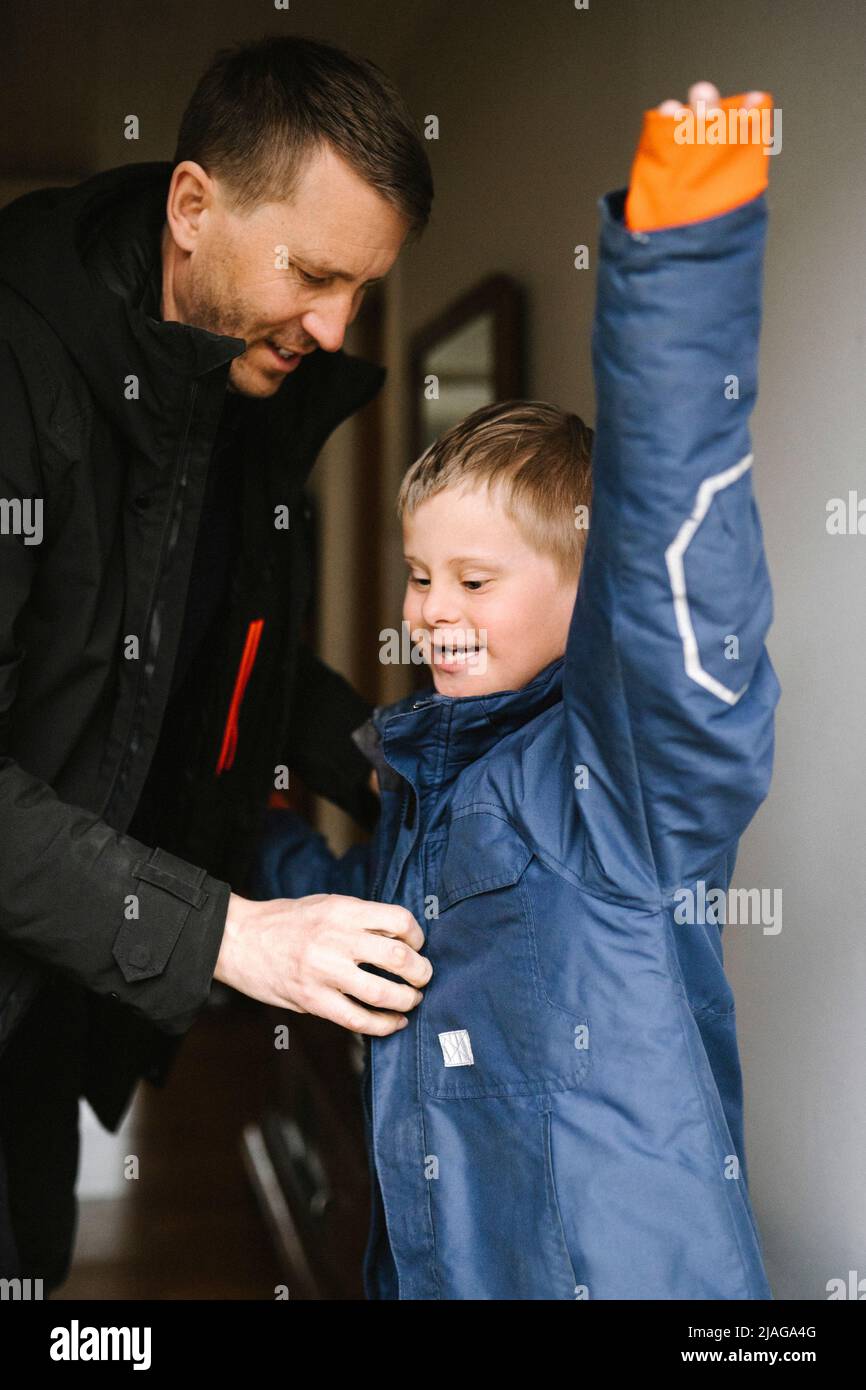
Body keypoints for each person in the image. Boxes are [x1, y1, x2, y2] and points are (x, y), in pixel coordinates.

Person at [254, 81, 781, 1298]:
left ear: (584, 589)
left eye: (474, 579)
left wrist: (682, 258)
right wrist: (262, 835)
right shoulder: (434, 776)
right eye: (420, 574)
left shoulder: (624, 781)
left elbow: (674, 573)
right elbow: (372, 927)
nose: (430, 607)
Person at [0, 35, 434, 1292]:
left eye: (361, 289)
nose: (334, 325)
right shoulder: (18, 375)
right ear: (193, 206)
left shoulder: (233, 396)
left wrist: (399, 763)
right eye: (312, 273)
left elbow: (218, 667)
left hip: (47, 995)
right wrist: (226, 937)